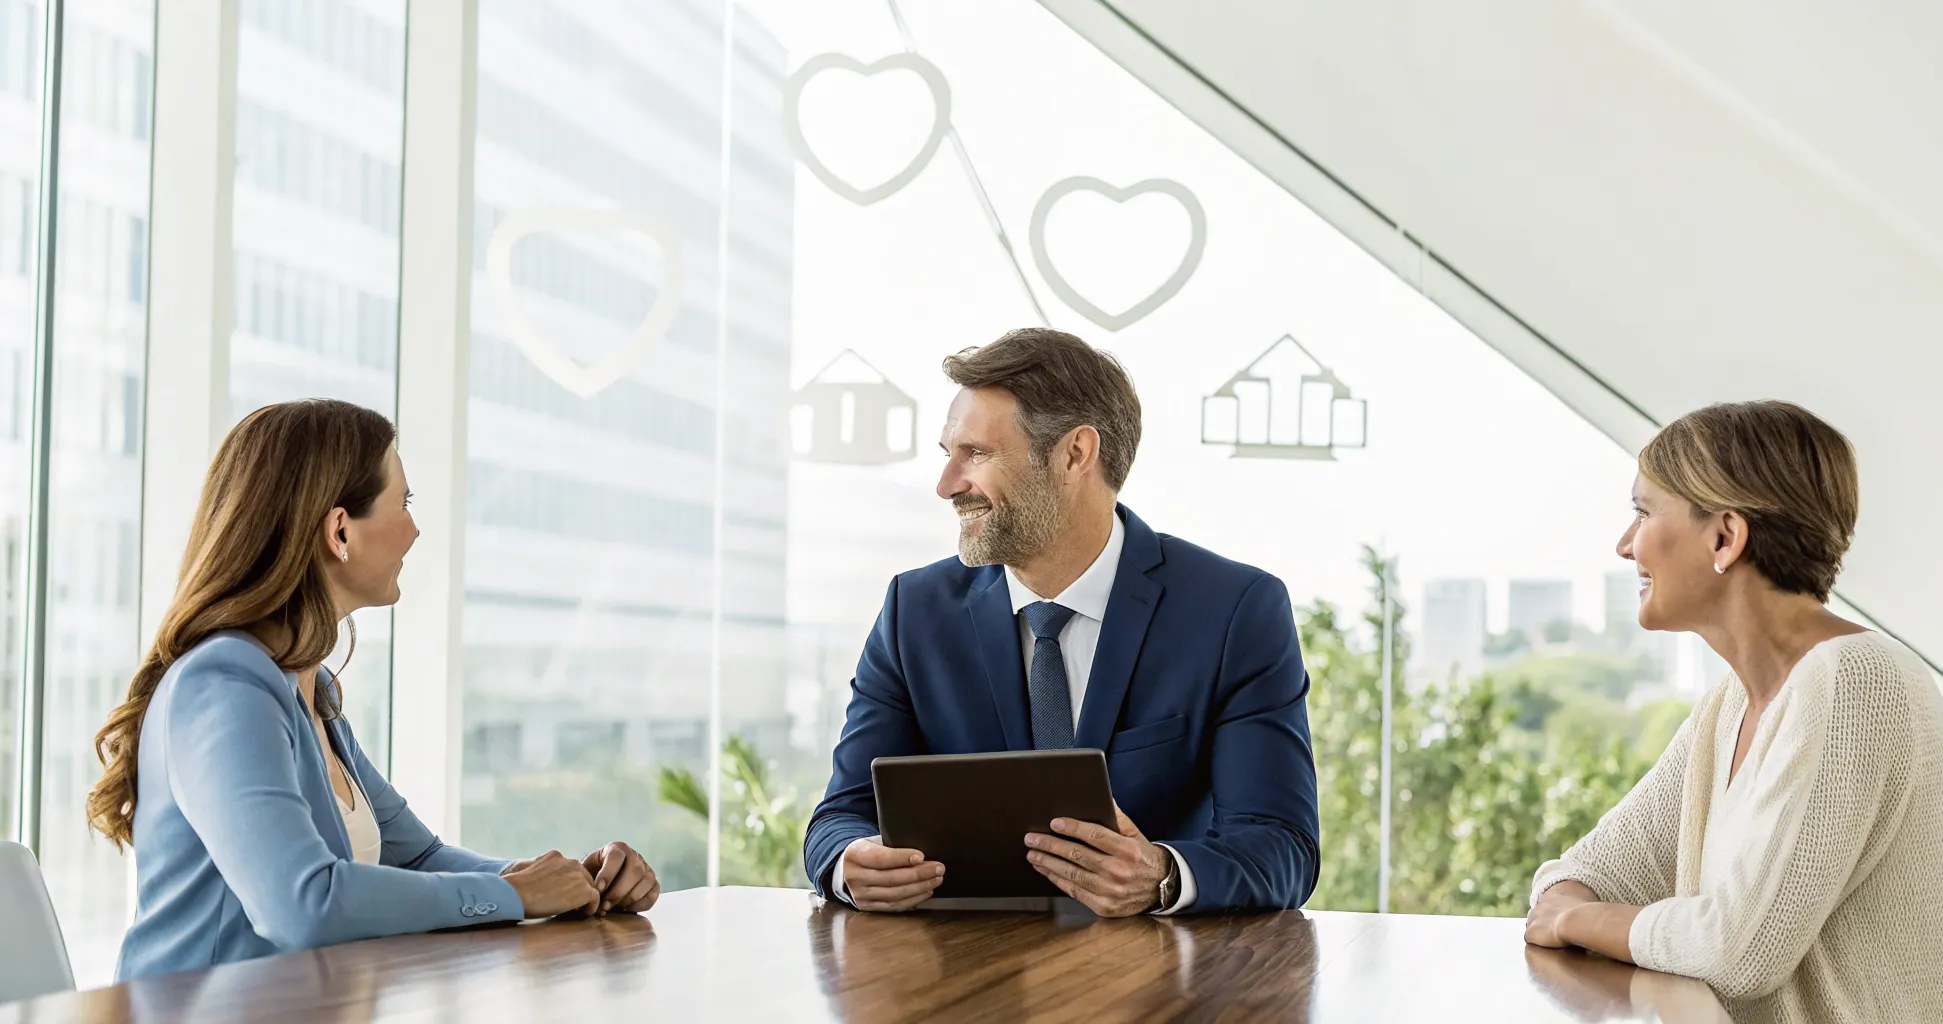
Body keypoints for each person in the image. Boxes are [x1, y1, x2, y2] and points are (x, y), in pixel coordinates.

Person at [90, 400, 662, 982]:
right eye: (404, 503)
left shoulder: (310, 691)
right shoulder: (225, 684)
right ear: (340, 530)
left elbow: (417, 858)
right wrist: (518, 895)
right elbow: (303, 905)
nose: (415, 528)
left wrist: (570, 882)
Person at [803, 328, 1319, 916]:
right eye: (948, 454)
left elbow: (1284, 847)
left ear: (1075, 453)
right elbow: (839, 817)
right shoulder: (913, 611)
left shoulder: (1235, 611)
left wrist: (1163, 877)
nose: (946, 486)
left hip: (1160, 986)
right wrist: (849, 864)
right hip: (960, 979)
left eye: (976, 454)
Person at [1524, 401, 1943, 1022]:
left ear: (1725, 536)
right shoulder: (1731, 706)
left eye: (1643, 512)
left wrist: (1579, 919)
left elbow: (1740, 951)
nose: (1624, 545)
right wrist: (1574, 910)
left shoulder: (1859, 684)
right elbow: (1586, 871)